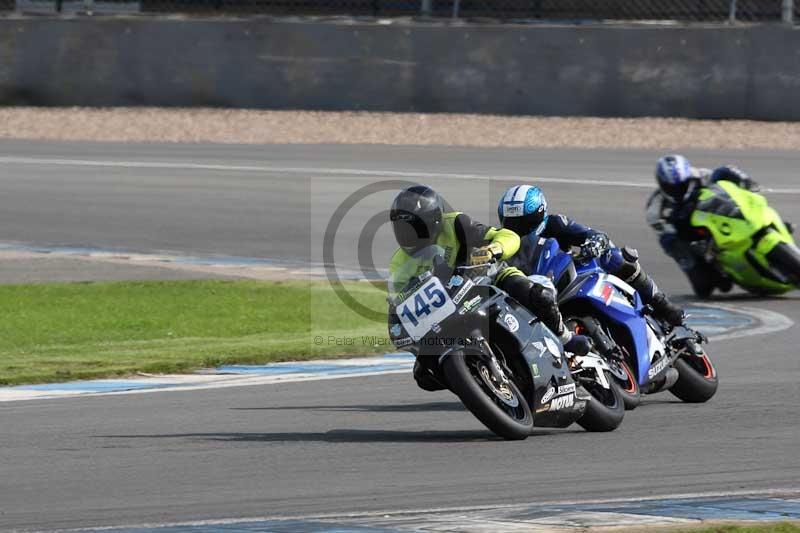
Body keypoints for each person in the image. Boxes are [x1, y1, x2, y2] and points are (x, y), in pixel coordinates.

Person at [387, 185, 591, 391]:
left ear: (435, 221)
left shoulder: (457, 223)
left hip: (490, 278)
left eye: (414, 228)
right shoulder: (399, 261)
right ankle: (476, 378)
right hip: (448, 306)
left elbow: (507, 236)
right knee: (424, 375)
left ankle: (566, 338)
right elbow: (400, 296)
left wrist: (493, 249)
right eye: (401, 228)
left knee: (539, 296)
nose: (407, 235)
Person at [497, 184, 685, 326]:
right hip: (544, 292)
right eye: (512, 223)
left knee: (614, 257)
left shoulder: (556, 223)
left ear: (541, 213)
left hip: (574, 275)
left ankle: (661, 303)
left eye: (525, 222)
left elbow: (592, 234)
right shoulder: (504, 243)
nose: (519, 228)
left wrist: (594, 243)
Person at [646, 154, 761, 297]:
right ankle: (720, 269)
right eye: (671, 187)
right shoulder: (655, 208)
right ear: (661, 184)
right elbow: (666, 237)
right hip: (691, 235)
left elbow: (726, 174)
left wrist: (744, 181)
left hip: (717, 216)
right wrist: (682, 243)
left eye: (682, 184)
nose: (677, 190)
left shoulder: (701, 176)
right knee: (703, 289)